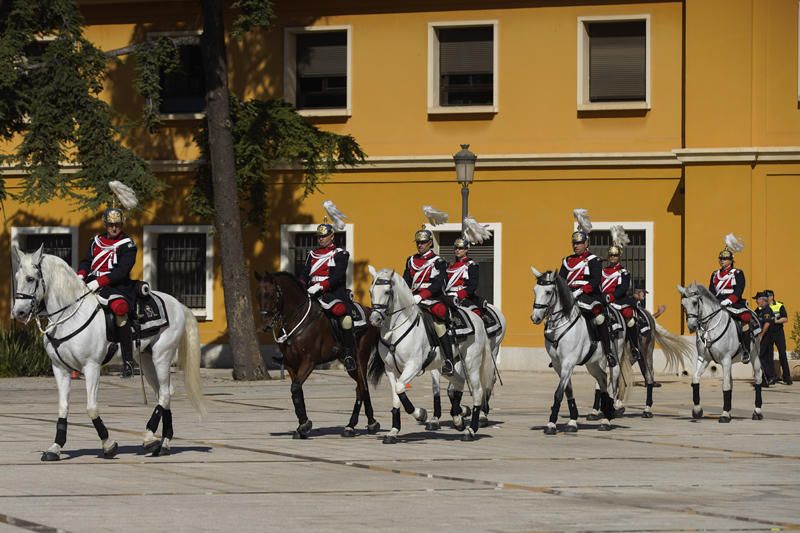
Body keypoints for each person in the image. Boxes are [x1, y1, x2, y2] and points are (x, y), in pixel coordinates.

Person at [77, 207, 138, 378]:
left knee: (120, 309)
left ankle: (127, 361)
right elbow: (86, 261)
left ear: (122, 224)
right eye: (110, 224)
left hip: (116, 285)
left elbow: (122, 271)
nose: (114, 228)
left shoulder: (128, 244)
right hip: (91, 282)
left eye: (117, 224)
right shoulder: (95, 241)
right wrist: (81, 275)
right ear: (105, 224)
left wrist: (100, 281)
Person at [298, 222, 356, 372]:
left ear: (332, 237)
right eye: (319, 237)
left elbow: (337, 276)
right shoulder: (312, 254)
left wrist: (321, 285)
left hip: (332, 293)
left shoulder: (340, 254)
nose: (321, 239)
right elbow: (304, 274)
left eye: (324, 236)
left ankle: (348, 353)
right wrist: (301, 286)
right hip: (311, 292)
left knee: (345, 317)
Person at [558, 229, 616, 367]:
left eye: (579, 243)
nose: (576, 246)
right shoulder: (567, 261)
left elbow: (596, 280)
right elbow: (561, 280)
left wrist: (580, 291)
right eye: (574, 243)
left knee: (599, 317)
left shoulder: (594, 260)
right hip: (569, 295)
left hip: (588, 295)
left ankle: (608, 352)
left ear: (586, 244)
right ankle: (557, 351)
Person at [403, 227, 457, 376]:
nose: (420, 245)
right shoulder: (411, 260)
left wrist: (422, 295)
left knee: (439, 322)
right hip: (412, 298)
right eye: (418, 242)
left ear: (430, 243)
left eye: (423, 242)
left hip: (431, 298)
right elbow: (406, 280)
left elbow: (439, 283)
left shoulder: (438, 261)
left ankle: (449, 360)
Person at [709, 244, 756, 363]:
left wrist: (729, 300)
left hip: (734, 303)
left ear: (731, 260)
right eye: (721, 259)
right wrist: (715, 302)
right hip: (718, 303)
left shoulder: (738, 273)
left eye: (725, 259)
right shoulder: (715, 274)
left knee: (745, 319)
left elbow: (739, 289)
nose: (722, 261)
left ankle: (745, 350)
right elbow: (711, 291)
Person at [601, 244, 641, 363]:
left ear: (619, 257)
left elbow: (623, 289)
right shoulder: (603, 271)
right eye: (611, 255)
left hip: (618, 300)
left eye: (615, 255)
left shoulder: (624, 272)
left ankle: (634, 347)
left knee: (629, 317)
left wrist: (611, 297)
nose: (613, 257)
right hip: (604, 300)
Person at [445, 237, 482, 317]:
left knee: (476, 313)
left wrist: (458, 294)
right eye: (456, 248)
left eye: (460, 248)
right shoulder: (450, 266)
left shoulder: (472, 265)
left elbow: (473, 285)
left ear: (466, 250)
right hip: (448, 295)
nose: (457, 250)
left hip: (463, 296)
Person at [765, 290, 792, 385]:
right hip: (768, 333)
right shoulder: (763, 307)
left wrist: (774, 321)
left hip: (778, 332)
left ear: (772, 297)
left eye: (767, 296)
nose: (766, 298)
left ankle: (787, 377)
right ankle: (771, 377)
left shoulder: (779, 305)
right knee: (769, 355)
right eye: (765, 297)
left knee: (782, 354)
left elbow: (785, 318)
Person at [754, 292, 777, 386]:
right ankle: (769, 377)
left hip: (767, 336)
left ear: (763, 300)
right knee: (765, 357)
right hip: (765, 336)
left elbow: (767, 324)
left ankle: (768, 378)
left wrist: (761, 335)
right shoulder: (761, 310)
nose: (756, 301)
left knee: (761, 357)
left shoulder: (767, 310)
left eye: (758, 299)